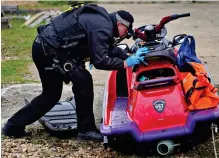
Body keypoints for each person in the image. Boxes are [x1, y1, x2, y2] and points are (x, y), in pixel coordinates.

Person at [2, 3, 148, 141]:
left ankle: (13, 126)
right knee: (83, 81)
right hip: (50, 51)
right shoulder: (102, 27)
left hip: (44, 46)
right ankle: (86, 130)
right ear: (120, 24)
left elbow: (105, 48)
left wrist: (128, 55)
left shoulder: (101, 20)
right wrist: (125, 63)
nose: (124, 36)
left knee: (51, 95)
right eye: (126, 32)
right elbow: (100, 61)